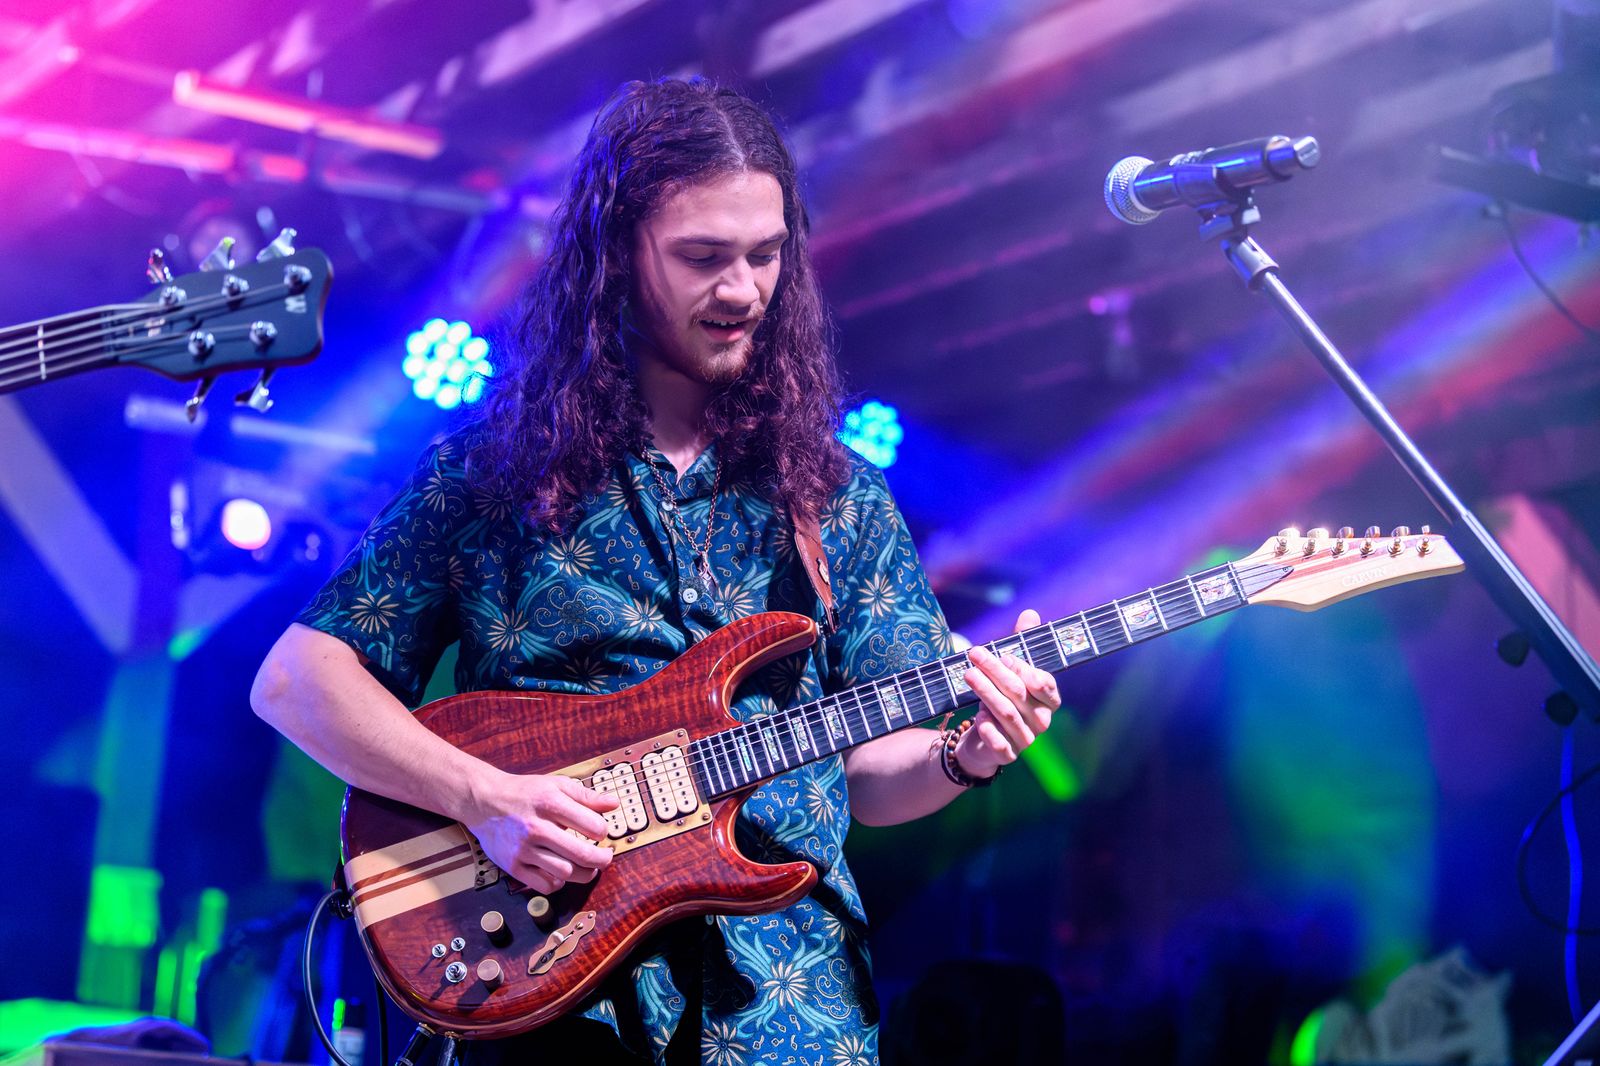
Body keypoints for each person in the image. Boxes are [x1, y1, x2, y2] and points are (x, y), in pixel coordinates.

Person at [251, 76, 1061, 1065]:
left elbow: (870, 776)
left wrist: (965, 756)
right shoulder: (491, 475)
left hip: (788, 1013)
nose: (743, 291)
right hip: (552, 997)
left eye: (765, 255)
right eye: (702, 257)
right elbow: (295, 681)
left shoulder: (838, 496)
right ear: (615, 256)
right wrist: (481, 797)